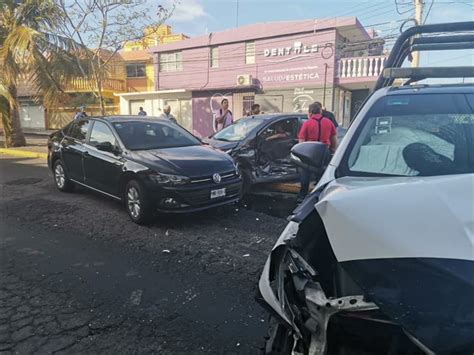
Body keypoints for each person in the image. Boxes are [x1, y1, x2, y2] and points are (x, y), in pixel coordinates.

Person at [297, 102, 338, 202]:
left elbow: (301, 141)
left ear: (310, 112)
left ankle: (302, 196)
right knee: (322, 174)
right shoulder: (329, 122)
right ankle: (321, 196)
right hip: (324, 151)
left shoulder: (307, 123)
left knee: (306, 174)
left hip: (310, 152)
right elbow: (334, 140)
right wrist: (333, 150)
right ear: (320, 111)